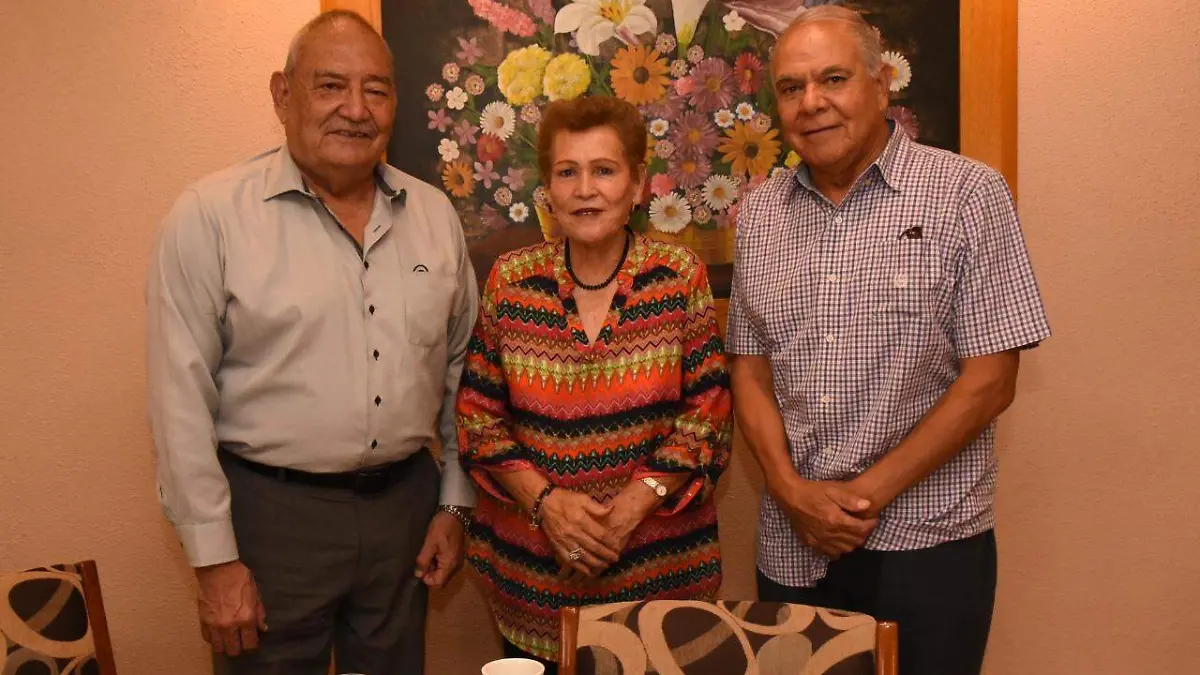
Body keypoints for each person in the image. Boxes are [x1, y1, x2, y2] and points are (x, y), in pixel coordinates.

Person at [145, 10, 478, 675]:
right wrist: (214, 560)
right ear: (282, 94)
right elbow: (178, 402)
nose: (355, 109)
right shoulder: (211, 217)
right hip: (272, 522)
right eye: (330, 86)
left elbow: (463, 374)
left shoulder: (434, 216)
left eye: (376, 90)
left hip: (405, 520)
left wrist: (454, 502)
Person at [726, 6, 1051, 675]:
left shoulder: (968, 193)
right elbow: (749, 368)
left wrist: (859, 498)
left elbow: (991, 380)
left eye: (833, 79)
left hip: (928, 543)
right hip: (792, 545)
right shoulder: (758, 214)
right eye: (791, 87)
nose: (811, 103)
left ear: (880, 86)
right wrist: (789, 490)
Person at [455, 95, 733, 671]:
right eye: (567, 172)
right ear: (548, 191)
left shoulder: (679, 278)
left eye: (604, 170)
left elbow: (708, 414)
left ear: (637, 186)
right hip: (536, 582)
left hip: (660, 581)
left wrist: (631, 507)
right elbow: (477, 418)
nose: (585, 190)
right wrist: (547, 505)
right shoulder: (510, 281)